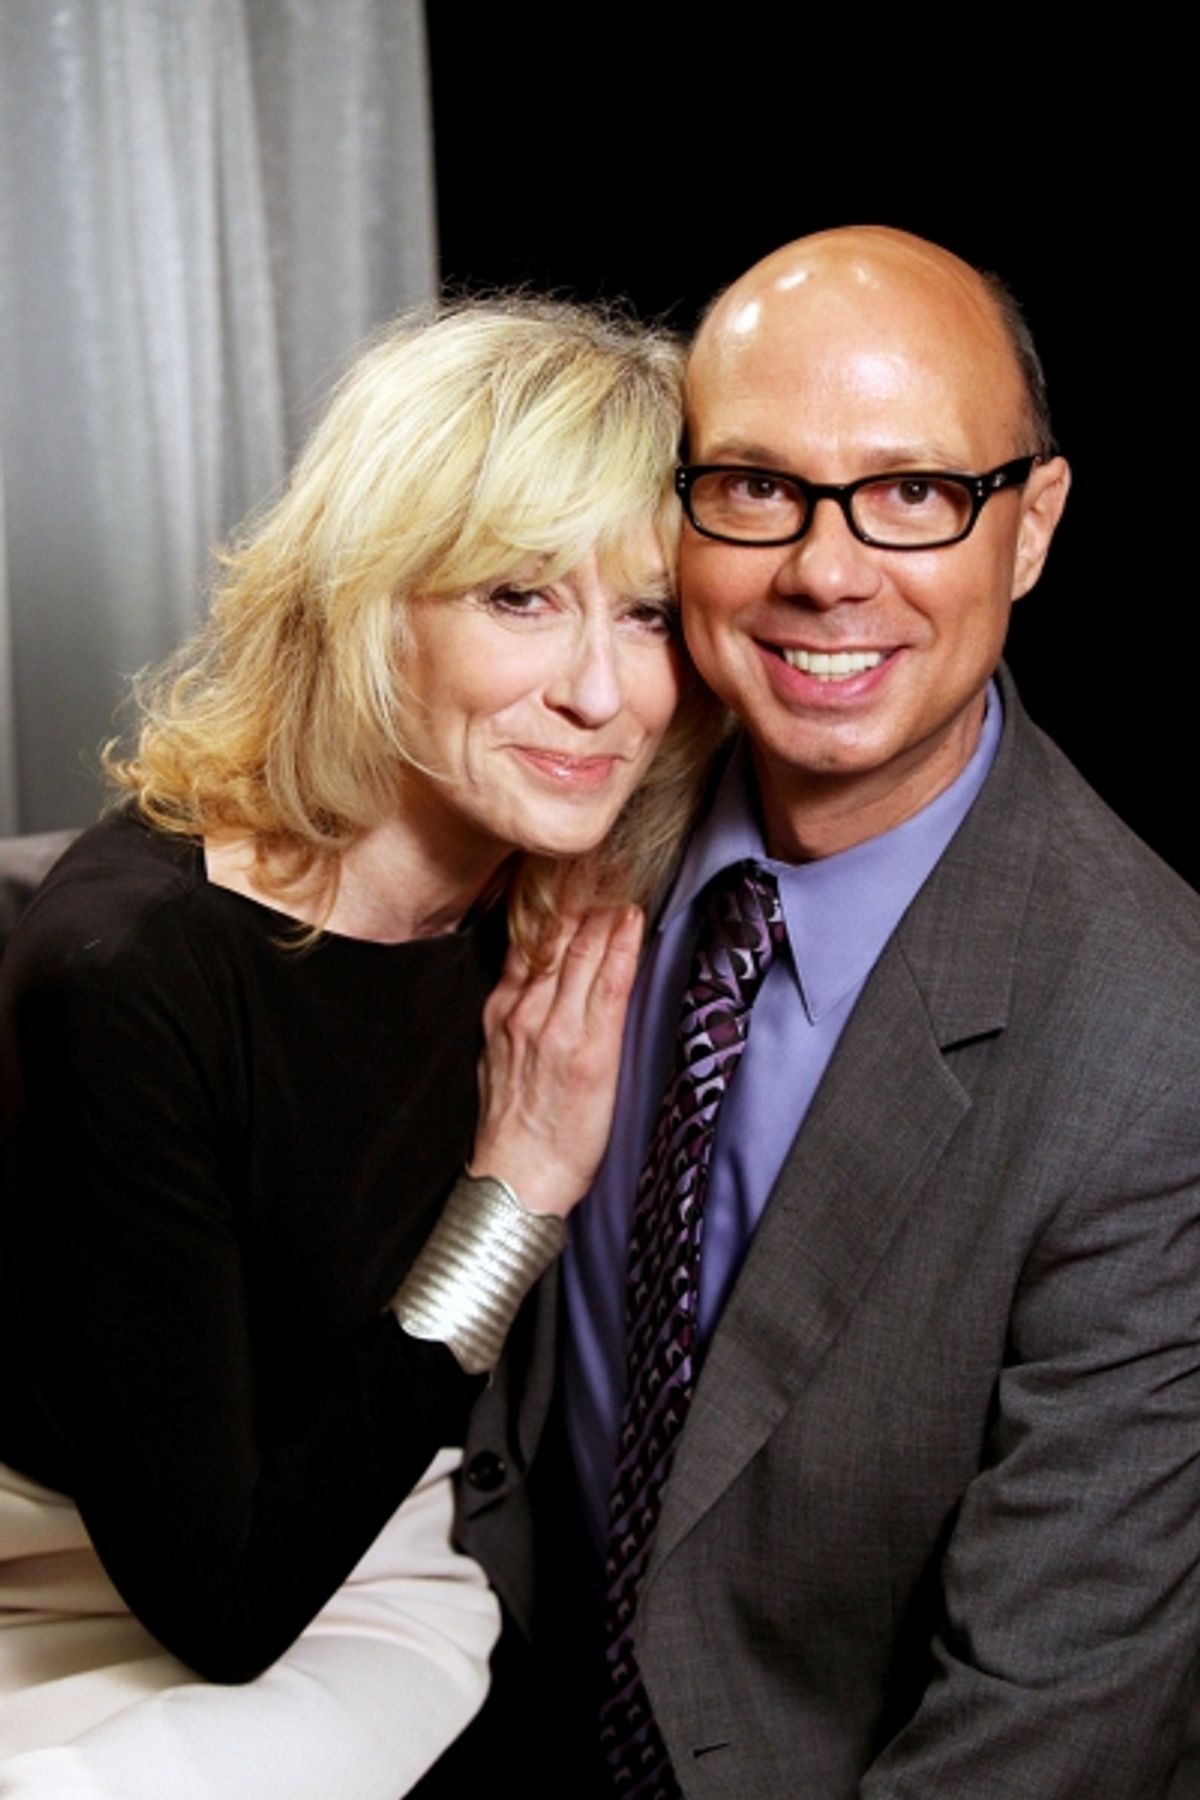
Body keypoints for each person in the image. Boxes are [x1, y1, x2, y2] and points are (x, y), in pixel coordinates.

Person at [457, 230, 1200, 1797]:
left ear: (1032, 527)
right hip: (471, 1697)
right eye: (757, 486)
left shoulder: (1154, 1044)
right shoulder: (568, 786)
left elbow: (1048, 1722)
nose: (827, 569)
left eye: (915, 492)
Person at [0, 298, 723, 1800]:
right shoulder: (132, 974)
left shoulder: (557, 905)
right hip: (83, 1576)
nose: (601, 694)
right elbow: (223, 1607)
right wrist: (513, 1195)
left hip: (388, 1543)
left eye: (650, 615)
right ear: (369, 603)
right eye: (521, 597)